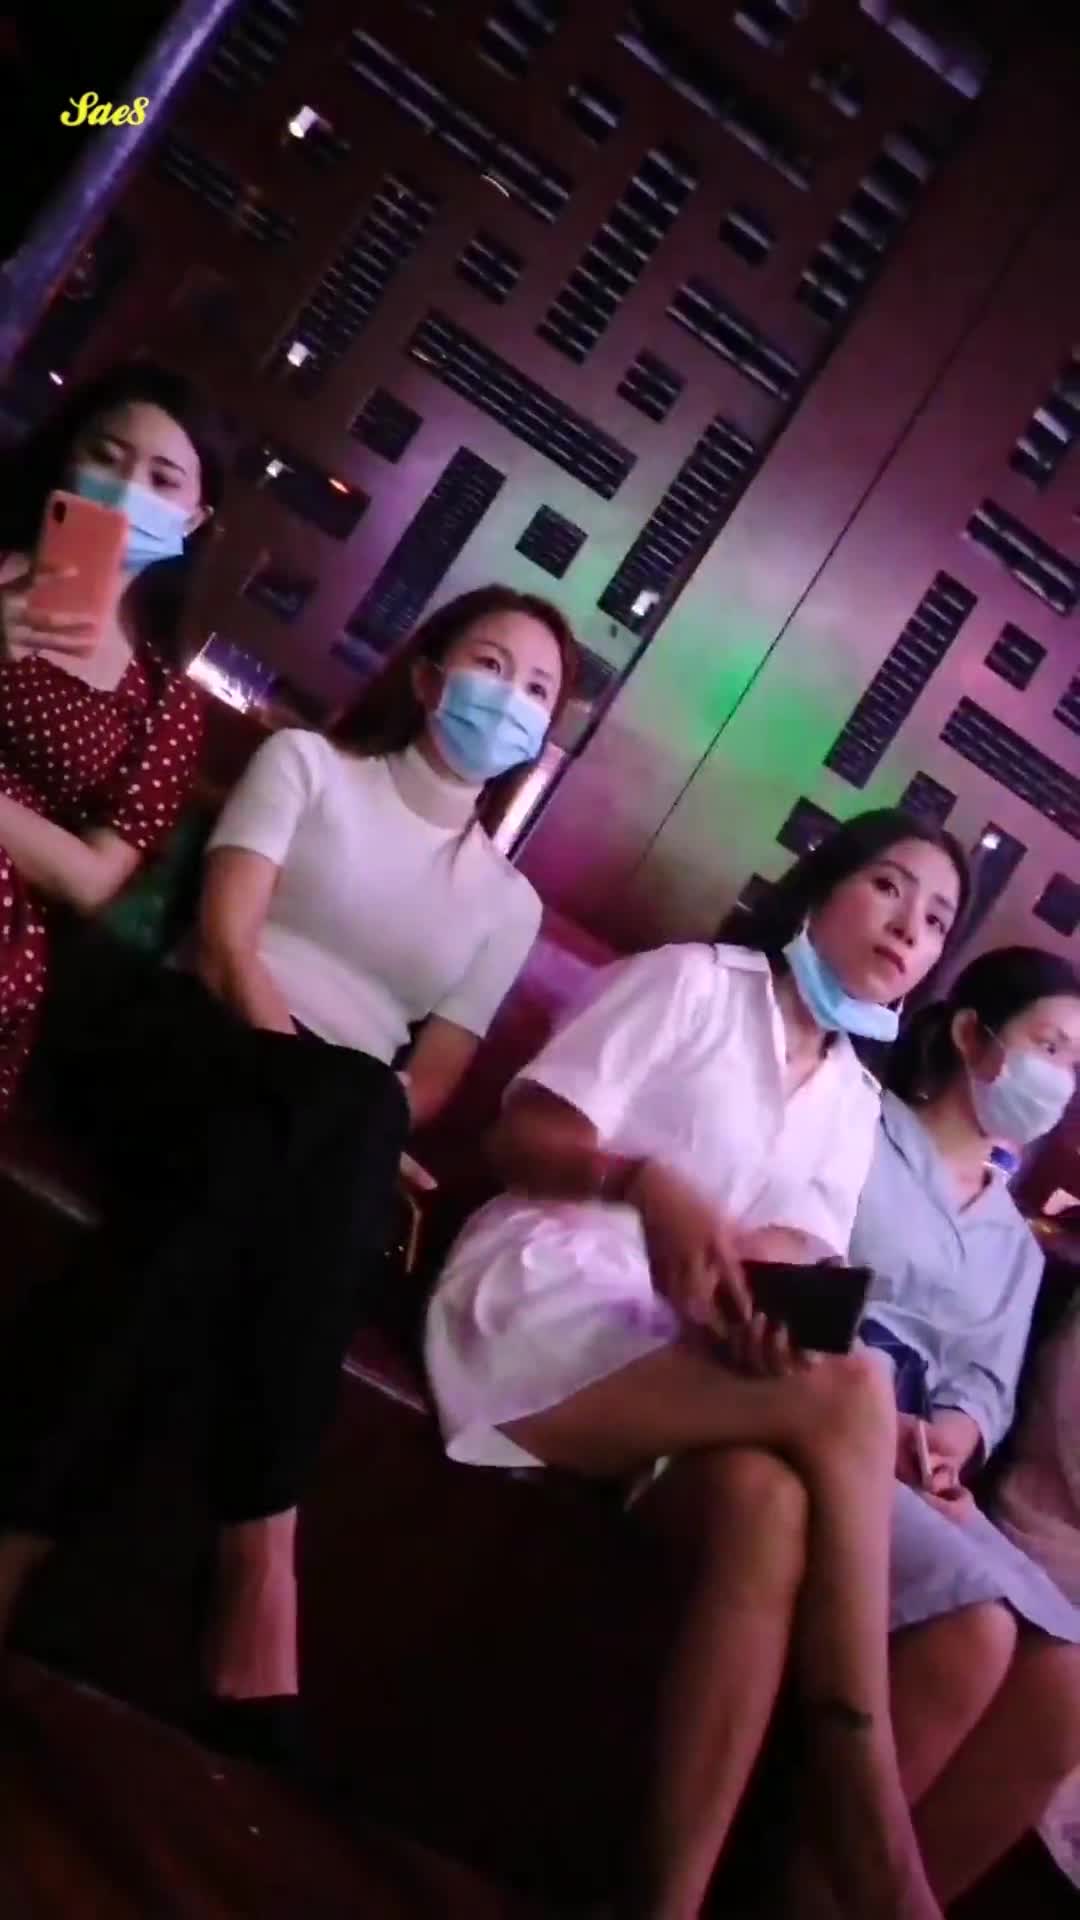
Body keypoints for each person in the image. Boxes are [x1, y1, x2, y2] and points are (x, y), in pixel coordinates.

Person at [0, 583, 577, 1769]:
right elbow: (226, 943)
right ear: (428, 675)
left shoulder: (509, 903)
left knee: (205, 1231)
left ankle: (14, 1549)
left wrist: (347, 1118)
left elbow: (437, 1076)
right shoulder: (308, 766)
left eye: (537, 689)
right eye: (490, 665)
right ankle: (260, 1550)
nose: (509, 699)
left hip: (309, 1140)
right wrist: (328, 1099)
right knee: (328, 1115)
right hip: (190, 1042)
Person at [425, 810, 972, 1920]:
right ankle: (865, 1807)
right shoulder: (690, 983)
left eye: (935, 921)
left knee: (769, 1505)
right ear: (823, 887)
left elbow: (795, 1254)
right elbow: (517, 1139)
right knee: (861, 1389)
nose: (908, 927)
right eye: (889, 888)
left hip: (680, 1357)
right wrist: (639, 1181)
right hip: (543, 1299)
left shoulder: (854, 1102)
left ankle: (665, 1906)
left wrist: (771, 1315)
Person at [846, 948, 1080, 1910]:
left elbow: (986, 1381)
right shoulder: (855, 1126)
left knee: (1067, 1675)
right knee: (977, 1622)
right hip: (828, 1401)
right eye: (1049, 1048)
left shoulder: (1015, 1242)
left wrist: (949, 1438)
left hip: (923, 1463)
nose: (1060, 1081)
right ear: (974, 1035)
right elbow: (801, 1265)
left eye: (1075, 1067)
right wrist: (884, 1414)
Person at [0, 359, 222, 1115]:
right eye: (107, 456)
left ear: (192, 519)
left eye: (162, 479)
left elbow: (93, 879)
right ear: (69, 458)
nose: (127, 490)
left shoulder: (164, 704)